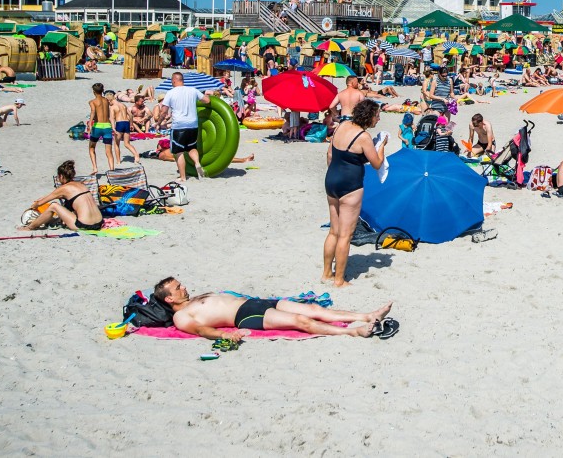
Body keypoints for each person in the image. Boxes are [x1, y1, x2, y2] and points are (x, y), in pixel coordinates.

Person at [154, 277, 392, 340]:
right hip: (245, 315)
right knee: (300, 320)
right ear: (169, 300)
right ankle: (353, 331)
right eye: (177, 288)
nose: (183, 287)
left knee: (310, 308)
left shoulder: (193, 299)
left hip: (254, 302)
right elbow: (201, 331)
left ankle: (367, 315)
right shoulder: (182, 317)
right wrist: (225, 334)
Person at [323, 99, 387, 287]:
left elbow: (329, 154)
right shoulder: (364, 137)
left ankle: (326, 273)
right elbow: (376, 164)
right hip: (350, 185)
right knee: (345, 235)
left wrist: (336, 172)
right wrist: (382, 144)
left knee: (333, 232)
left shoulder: (341, 126)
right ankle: (339, 280)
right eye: (377, 115)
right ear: (369, 116)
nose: (379, 119)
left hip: (331, 179)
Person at [16, 160, 104, 231]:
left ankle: (29, 228)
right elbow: (61, 196)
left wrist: (34, 205)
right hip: (99, 223)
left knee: (53, 206)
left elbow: (40, 203)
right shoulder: (81, 185)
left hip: (85, 225)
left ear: (61, 176)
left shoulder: (64, 188)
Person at [164, 73, 209, 181]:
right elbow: (207, 100)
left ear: (174, 80)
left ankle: (183, 177)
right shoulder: (193, 90)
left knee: (178, 152)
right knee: (191, 148)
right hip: (193, 124)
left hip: (179, 126)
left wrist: (159, 121)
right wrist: (208, 95)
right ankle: (197, 163)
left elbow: (164, 111)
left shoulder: (170, 93)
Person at [85, 83, 117, 174]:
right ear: (103, 90)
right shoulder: (106, 101)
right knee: (109, 151)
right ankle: (112, 170)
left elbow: (93, 111)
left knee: (91, 147)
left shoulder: (92, 102)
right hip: (107, 126)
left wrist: (90, 124)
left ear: (93, 91)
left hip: (97, 126)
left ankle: (95, 167)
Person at [108, 91, 138, 161]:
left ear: (110, 100)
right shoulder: (123, 105)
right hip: (126, 123)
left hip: (119, 123)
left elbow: (112, 118)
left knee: (116, 143)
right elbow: (130, 115)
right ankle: (136, 155)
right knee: (127, 143)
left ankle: (118, 161)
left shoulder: (112, 107)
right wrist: (131, 124)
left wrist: (113, 127)